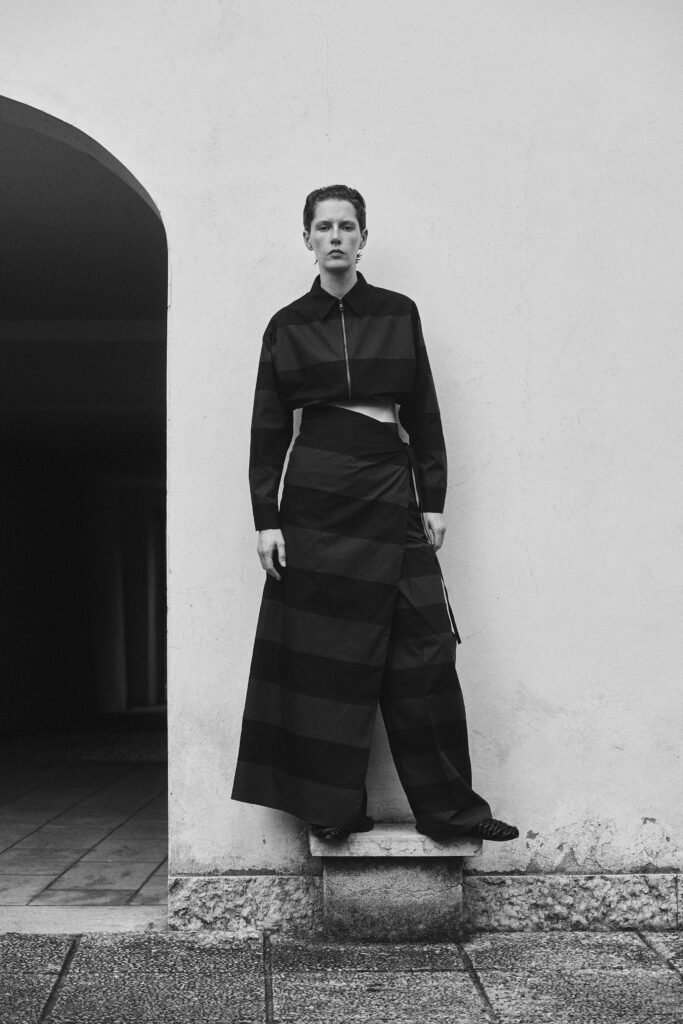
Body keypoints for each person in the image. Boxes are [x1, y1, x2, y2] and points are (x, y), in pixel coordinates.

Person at [231, 184, 518, 844]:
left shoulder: (398, 312)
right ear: (307, 239)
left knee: (424, 650)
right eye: (323, 227)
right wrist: (266, 517)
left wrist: (432, 498)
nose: (335, 236)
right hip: (317, 493)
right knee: (324, 652)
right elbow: (268, 427)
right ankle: (332, 809)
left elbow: (424, 410)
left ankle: (450, 812)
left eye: (347, 226)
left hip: (390, 482)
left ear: (363, 238)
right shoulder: (286, 324)